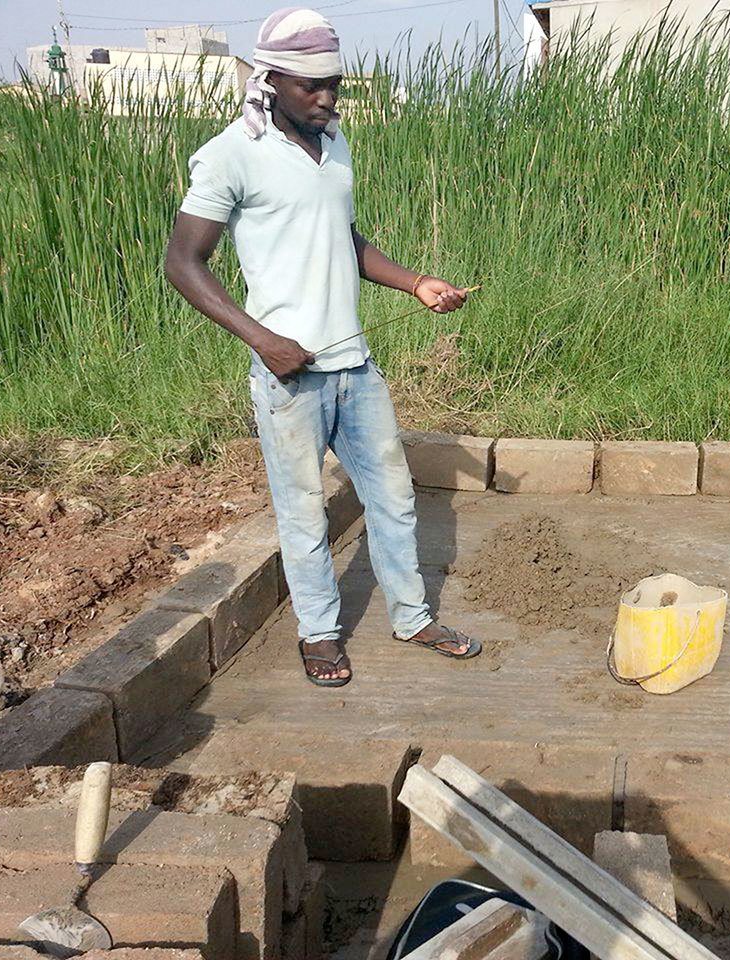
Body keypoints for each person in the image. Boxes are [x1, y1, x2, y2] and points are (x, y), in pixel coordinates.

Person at [165, 7, 480, 688]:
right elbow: (184, 263)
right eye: (310, 85)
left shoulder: (333, 144)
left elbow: (346, 236)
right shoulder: (229, 155)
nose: (327, 97)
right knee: (304, 512)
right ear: (270, 79)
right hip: (289, 377)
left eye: (333, 83)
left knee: (394, 499)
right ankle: (320, 634)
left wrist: (415, 283)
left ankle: (412, 617)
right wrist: (264, 340)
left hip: (355, 367)